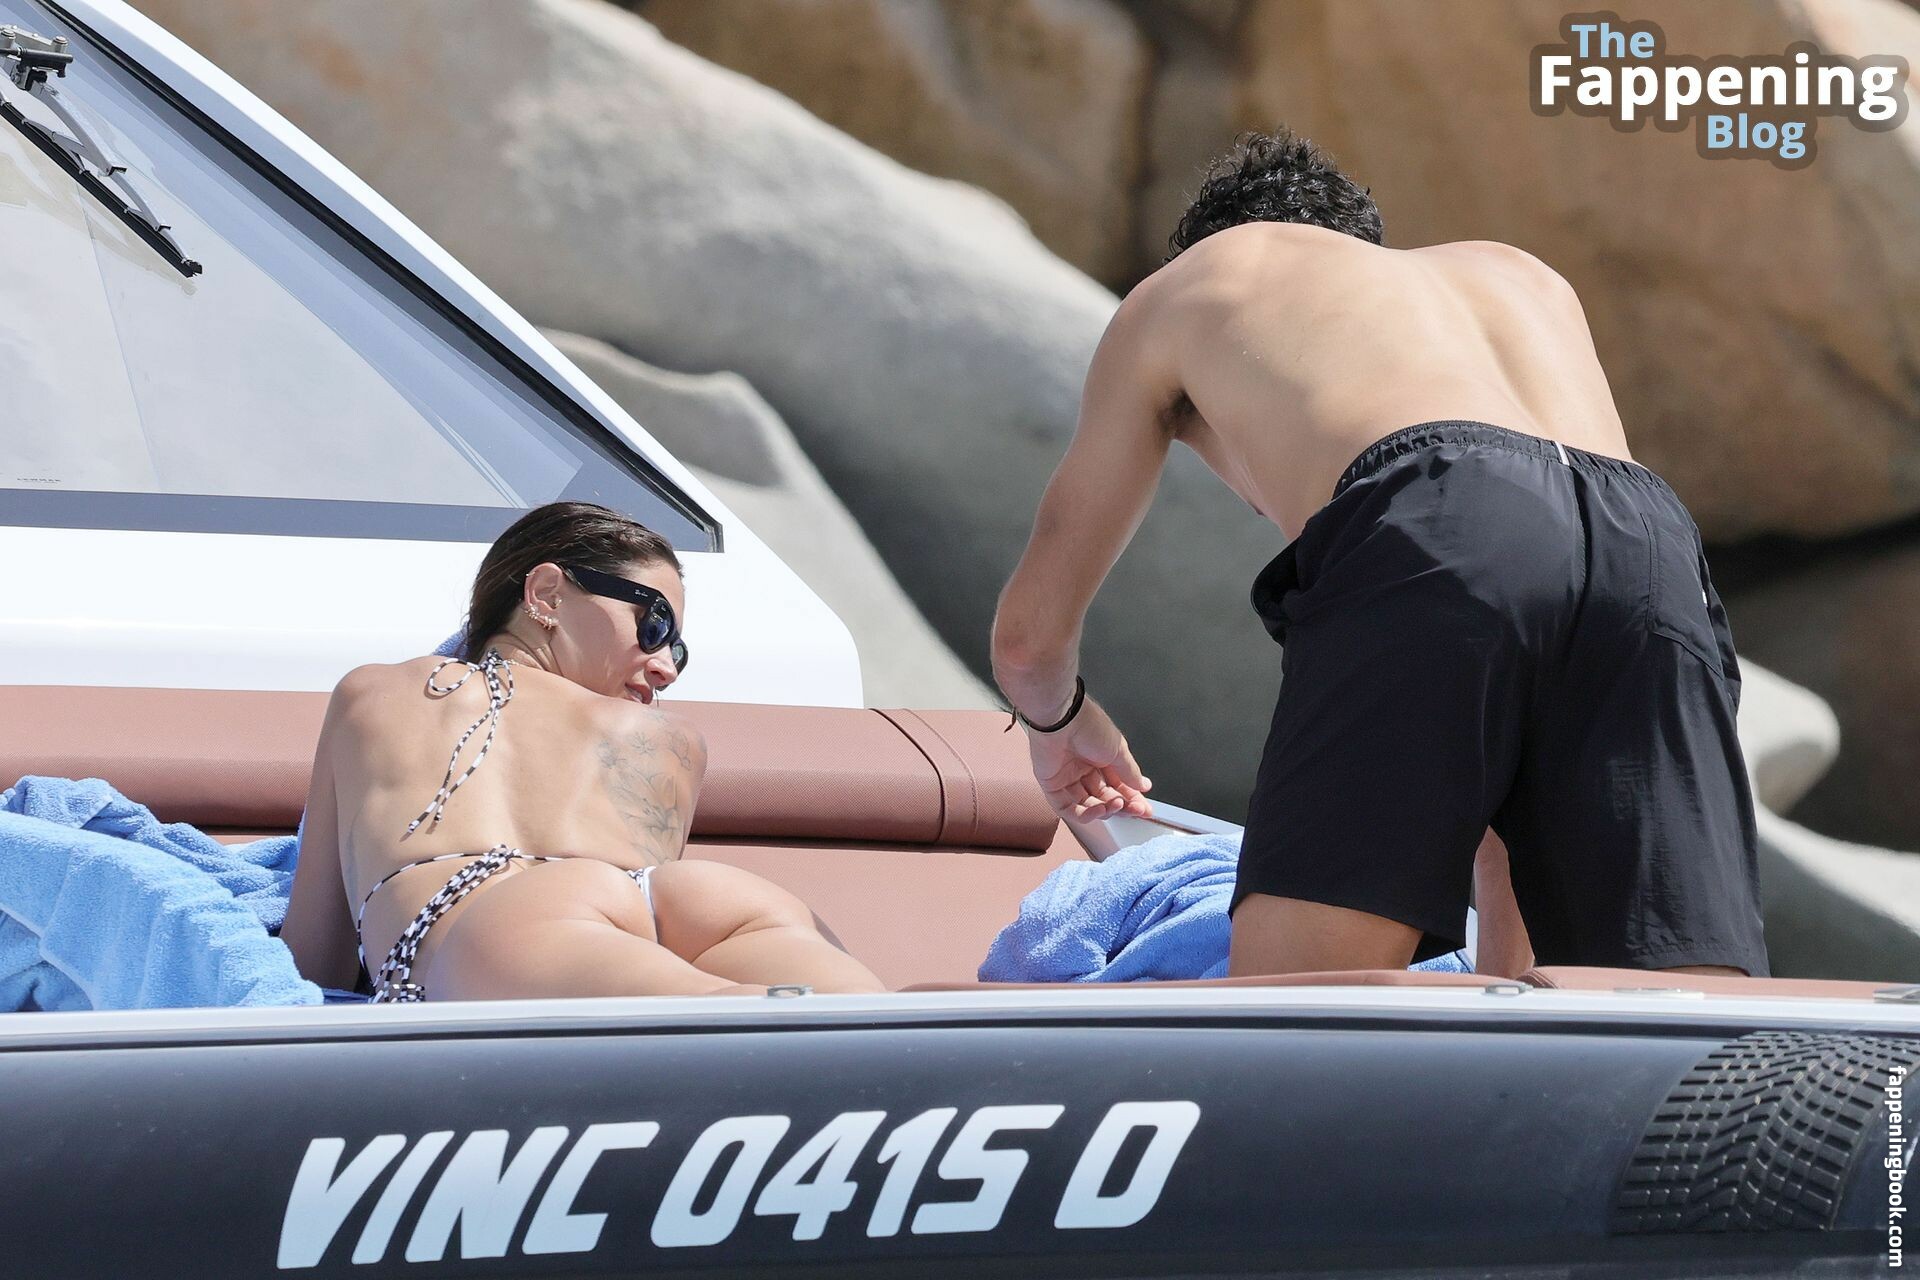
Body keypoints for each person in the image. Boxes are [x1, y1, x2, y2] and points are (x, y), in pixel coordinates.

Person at [990, 129, 1769, 980]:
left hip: (1432, 512)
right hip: (1649, 545)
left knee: (1293, 1012)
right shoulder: (1519, 278)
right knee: (1668, 1012)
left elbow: (1027, 643)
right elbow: (1513, 718)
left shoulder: (1192, 283)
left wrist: (1060, 724)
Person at [280, 501, 885, 1000]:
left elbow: (315, 963)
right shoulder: (667, 739)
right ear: (545, 593)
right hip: (705, 900)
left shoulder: (373, 693)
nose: (666, 668)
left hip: (503, 925)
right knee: (880, 1026)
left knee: (724, 1016)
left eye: (676, 648)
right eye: (654, 625)